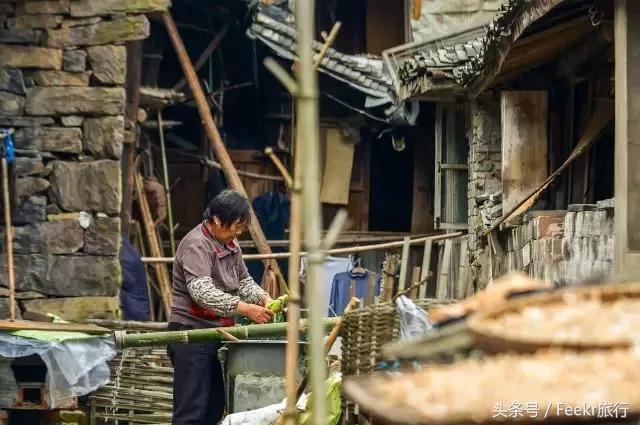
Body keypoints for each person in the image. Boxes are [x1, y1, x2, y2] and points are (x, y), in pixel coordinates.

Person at [167, 190, 274, 425]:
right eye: (236, 225)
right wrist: (244, 308)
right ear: (216, 219)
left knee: (214, 408)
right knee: (191, 413)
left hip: (219, 334)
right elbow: (201, 293)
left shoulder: (231, 244)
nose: (238, 232)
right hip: (192, 335)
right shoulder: (196, 245)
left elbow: (244, 281)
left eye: (241, 226)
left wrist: (263, 298)